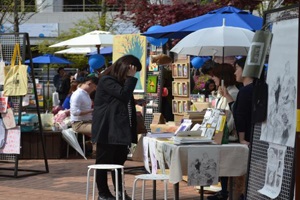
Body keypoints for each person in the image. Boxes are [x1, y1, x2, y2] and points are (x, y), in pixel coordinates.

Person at [92, 55, 142, 200]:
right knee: (103, 164)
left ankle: (120, 192)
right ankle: (103, 193)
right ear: (125, 67)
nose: (133, 74)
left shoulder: (120, 82)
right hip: (107, 129)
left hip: (120, 130)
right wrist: (131, 78)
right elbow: (123, 95)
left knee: (118, 163)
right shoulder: (107, 80)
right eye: (132, 70)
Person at [208, 57, 254, 200]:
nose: (235, 73)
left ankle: (228, 192)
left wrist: (240, 137)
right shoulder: (229, 93)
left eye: (237, 69)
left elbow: (237, 118)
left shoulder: (239, 92)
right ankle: (225, 191)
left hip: (235, 137)